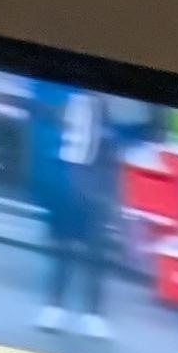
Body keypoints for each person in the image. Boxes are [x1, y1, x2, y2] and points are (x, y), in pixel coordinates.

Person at [36, 87, 119, 337]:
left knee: (95, 255)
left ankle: (92, 314)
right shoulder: (70, 103)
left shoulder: (109, 112)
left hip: (96, 188)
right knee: (64, 248)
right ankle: (54, 307)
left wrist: (109, 194)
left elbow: (114, 154)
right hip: (70, 183)